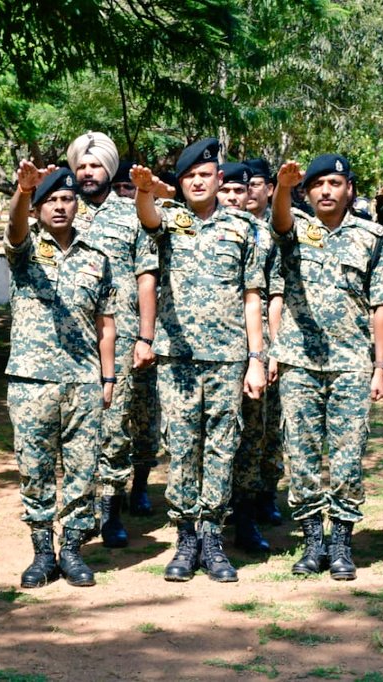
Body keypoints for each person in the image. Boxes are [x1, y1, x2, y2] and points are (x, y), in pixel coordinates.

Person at [131, 138, 267, 582]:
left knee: (222, 447)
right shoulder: (169, 222)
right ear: (181, 182)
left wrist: (255, 358)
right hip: (179, 358)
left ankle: (213, 536)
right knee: (184, 446)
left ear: (219, 179)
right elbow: (148, 216)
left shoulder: (243, 229)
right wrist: (144, 190)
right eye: (188, 176)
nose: (196, 181)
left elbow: (252, 298)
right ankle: (186, 538)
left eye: (204, 175)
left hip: (228, 358)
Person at [272, 154, 383, 581]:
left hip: (351, 364)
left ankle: (341, 544)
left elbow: (381, 306)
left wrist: (379, 367)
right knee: (301, 455)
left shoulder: (371, 237)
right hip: (299, 362)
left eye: (335, 183)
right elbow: (279, 222)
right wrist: (283, 189)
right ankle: (312, 542)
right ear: (306, 191)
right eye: (318, 183)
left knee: (347, 457)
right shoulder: (293, 231)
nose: (326, 191)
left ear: (349, 190)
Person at [5, 162, 117, 588]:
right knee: (34, 469)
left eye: (67, 199)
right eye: (49, 200)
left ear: (77, 205)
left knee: (82, 471)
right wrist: (22, 190)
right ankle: (41, 554)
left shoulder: (96, 259)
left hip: (84, 381)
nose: (59, 206)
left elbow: (106, 324)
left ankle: (71, 551)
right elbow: (15, 229)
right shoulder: (25, 249)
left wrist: (107, 379)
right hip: (32, 382)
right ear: (37, 208)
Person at [66, 132, 156, 547]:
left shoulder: (132, 215)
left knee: (116, 425)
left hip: (119, 334)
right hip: (70, 338)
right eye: (82, 167)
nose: (88, 173)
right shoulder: (61, 210)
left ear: (110, 170)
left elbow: (146, 278)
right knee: (73, 427)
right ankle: (78, 511)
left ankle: (111, 510)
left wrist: (144, 336)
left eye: (95, 166)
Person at [218, 161, 284, 553]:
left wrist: (270, 349)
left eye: (238, 192)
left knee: (252, 435)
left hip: (252, 350)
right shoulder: (194, 230)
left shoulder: (264, 235)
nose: (231, 198)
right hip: (212, 350)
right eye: (224, 191)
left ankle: (245, 518)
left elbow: (274, 295)